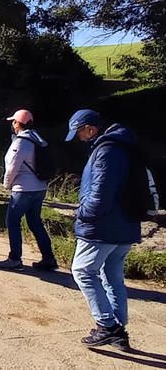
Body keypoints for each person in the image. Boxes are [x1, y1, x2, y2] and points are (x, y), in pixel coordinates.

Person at [66, 109, 141, 349]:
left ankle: (107, 326)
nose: (79, 138)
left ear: (90, 129)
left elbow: (100, 195)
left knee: (82, 271)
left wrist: (82, 213)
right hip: (125, 225)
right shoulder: (123, 146)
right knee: (112, 277)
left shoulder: (106, 151)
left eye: (79, 132)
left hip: (103, 227)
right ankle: (118, 330)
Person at [0, 109, 57, 271]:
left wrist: (6, 184)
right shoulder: (38, 139)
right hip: (40, 187)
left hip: (23, 189)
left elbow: (12, 167)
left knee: (12, 221)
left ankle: (15, 259)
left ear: (18, 123)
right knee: (35, 222)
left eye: (13, 121)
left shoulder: (21, 142)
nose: (12, 124)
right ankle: (48, 258)